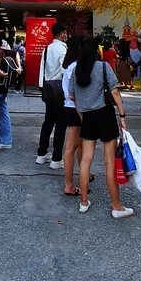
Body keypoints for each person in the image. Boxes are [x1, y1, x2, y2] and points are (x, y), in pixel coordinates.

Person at [67, 36, 133, 219]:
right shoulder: (104, 67)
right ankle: (116, 206)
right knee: (109, 161)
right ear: (97, 50)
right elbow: (115, 92)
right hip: (105, 115)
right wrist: (122, 116)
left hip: (87, 117)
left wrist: (82, 115)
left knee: (86, 160)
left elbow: (73, 97)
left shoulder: (76, 70)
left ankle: (84, 202)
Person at [36, 23, 69, 169]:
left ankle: (41, 155)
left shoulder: (47, 48)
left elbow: (42, 68)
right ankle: (56, 159)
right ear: (62, 34)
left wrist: (42, 86)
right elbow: (64, 69)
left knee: (48, 122)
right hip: (60, 90)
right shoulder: (63, 49)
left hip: (48, 89)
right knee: (61, 124)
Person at [60, 37, 87, 196]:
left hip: (69, 107)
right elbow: (75, 94)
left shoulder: (70, 66)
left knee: (79, 144)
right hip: (76, 108)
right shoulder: (76, 67)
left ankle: (82, 174)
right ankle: (69, 184)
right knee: (72, 146)